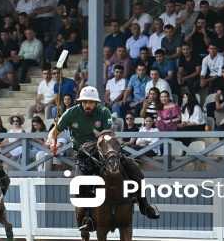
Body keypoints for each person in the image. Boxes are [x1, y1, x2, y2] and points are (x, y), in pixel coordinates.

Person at [46, 86, 159, 232]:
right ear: (81, 101)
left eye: (91, 102)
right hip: (84, 155)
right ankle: (88, 218)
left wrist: (94, 143)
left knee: (134, 169)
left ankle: (145, 205)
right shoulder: (70, 114)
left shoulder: (104, 112)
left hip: (104, 151)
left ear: (96, 103)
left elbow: (107, 135)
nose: (88, 105)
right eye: (85, 102)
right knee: (79, 185)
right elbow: (53, 132)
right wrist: (52, 143)